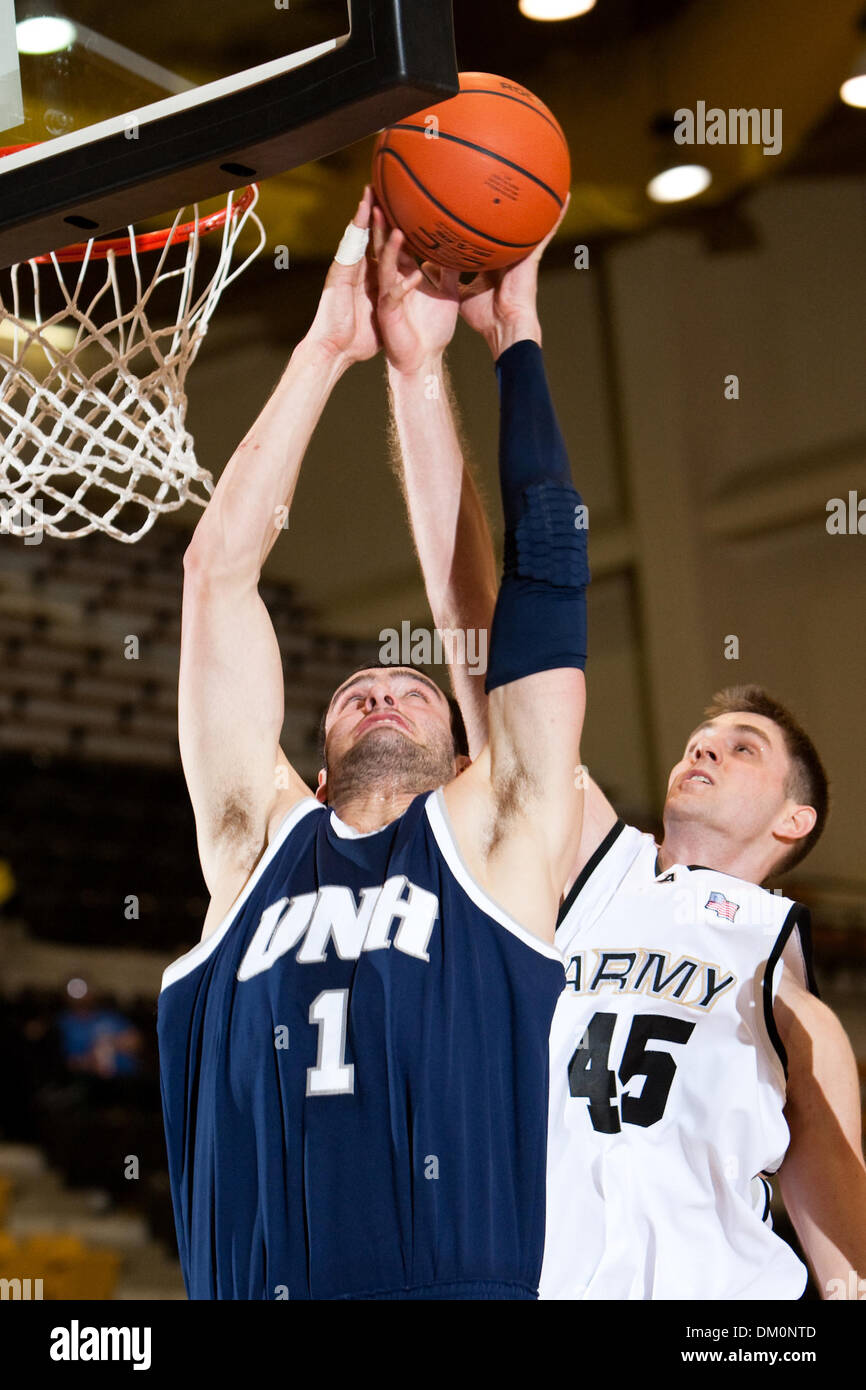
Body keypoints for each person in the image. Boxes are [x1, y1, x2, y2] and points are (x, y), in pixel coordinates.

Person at [374, 200, 866, 1300]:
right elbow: (474, 616)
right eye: (700, 736)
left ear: (795, 822)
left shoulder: (787, 980)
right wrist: (427, 373)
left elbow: (844, 1259)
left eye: (740, 747)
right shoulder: (596, 869)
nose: (701, 748)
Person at [157, 187, 586, 1300]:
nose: (383, 691)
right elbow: (216, 576)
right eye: (356, 690)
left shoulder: (499, 838)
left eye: (412, 685)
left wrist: (494, 347)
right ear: (312, 754)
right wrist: (327, 349)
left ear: (463, 751)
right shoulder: (255, 845)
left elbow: (522, 579)